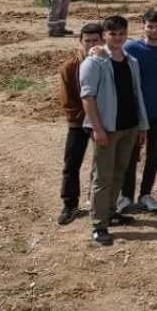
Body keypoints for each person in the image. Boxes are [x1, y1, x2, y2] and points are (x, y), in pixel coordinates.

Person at [80, 16, 149, 246]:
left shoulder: (131, 61)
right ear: (105, 36)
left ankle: (111, 211)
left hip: (129, 127)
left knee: (119, 172)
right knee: (103, 177)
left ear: (126, 34)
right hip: (107, 130)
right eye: (112, 34)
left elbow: (136, 94)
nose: (117, 38)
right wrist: (97, 128)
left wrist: (142, 125)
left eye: (121, 33)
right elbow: (87, 97)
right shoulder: (95, 61)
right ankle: (99, 225)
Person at [120, 9, 157, 214]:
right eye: (150, 26)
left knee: (154, 154)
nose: (154, 30)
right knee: (131, 155)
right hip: (135, 113)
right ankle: (126, 196)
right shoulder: (131, 48)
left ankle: (146, 194)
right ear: (143, 26)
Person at [58, 23, 104, 225]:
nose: (92, 44)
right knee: (71, 164)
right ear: (81, 42)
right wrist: (86, 119)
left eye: (96, 40)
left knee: (102, 165)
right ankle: (70, 205)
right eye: (88, 41)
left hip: (103, 123)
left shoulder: (107, 63)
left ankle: (99, 203)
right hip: (78, 123)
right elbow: (67, 100)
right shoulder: (70, 67)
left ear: (102, 41)